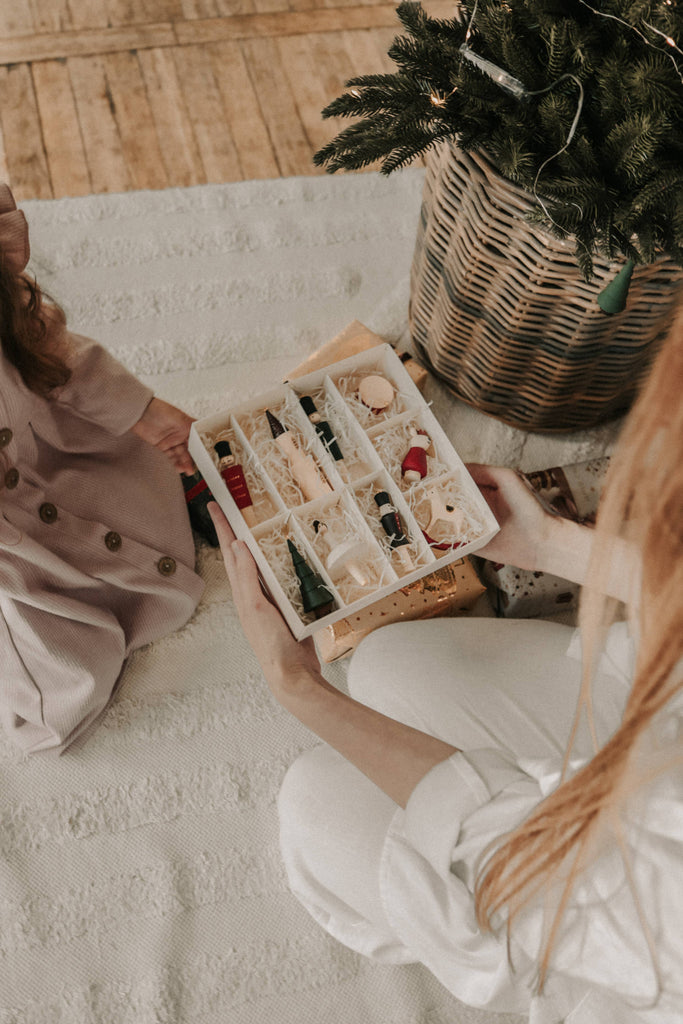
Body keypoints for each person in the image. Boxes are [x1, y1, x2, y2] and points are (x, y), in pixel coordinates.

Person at [208, 304, 683, 1023]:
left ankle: (429, 934)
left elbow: (506, 865)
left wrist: (299, 689)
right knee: (389, 664)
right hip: (657, 737)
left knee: (314, 800)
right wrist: (552, 546)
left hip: (601, 915)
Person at [0, 184, 204, 755]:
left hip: (43, 455)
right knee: (63, 680)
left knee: (142, 488)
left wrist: (143, 413)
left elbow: (47, 350)